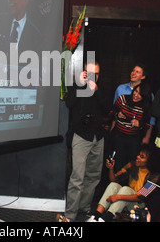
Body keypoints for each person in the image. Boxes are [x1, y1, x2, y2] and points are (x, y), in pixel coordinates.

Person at [62, 60, 109, 221]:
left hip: (98, 136)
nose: (92, 76)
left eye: (95, 73)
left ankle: (84, 207)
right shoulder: (76, 87)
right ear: (83, 72)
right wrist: (79, 85)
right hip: (81, 137)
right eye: (89, 73)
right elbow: (69, 104)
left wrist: (95, 91)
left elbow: (107, 108)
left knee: (94, 176)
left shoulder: (100, 90)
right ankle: (70, 215)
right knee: (77, 178)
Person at [85, 144, 159, 222]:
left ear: (150, 161)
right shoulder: (133, 165)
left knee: (126, 189)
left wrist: (118, 197)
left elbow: (140, 197)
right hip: (127, 199)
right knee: (114, 185)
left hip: (139, 207)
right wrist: (111, 169)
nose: (138, 157)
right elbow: (114, 180)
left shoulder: (154, 176)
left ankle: (105, 219)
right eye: (139, 155)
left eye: (142, 157)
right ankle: (95, 217)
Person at [110, 82, 153, 171]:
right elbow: (110, 113)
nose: (136, 95)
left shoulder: (146, 107)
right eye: (135, 91)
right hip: (119, 136)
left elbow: (147, 125)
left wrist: (140, 124)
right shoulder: (123, 99)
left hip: (134, 139)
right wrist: (117, 114)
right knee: (118, 162)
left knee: (131, 164)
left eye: (140, 94)